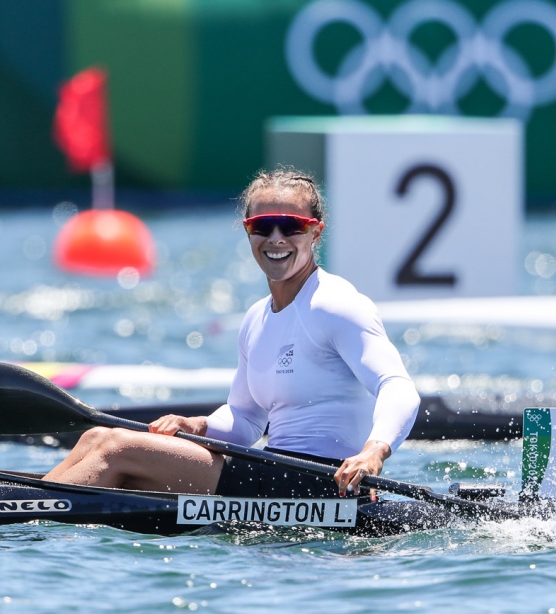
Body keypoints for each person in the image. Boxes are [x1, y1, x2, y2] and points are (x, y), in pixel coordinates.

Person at [44, 168, 420, 498]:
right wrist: (198, 425)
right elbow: (245, 419)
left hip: (328, 481)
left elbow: (397, 386)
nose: (275, 239)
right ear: (247, 231)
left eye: (291, 227)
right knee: (94, 438)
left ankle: (24, 516)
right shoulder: (256, 319)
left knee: (115, 447)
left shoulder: (336, 304)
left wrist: (375, 452)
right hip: (273, 470)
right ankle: (23, 502)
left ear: (315, 233)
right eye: (262, 227)